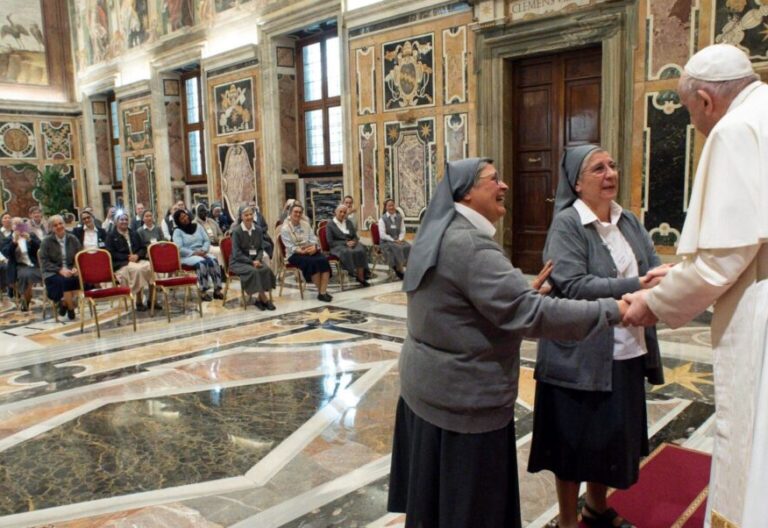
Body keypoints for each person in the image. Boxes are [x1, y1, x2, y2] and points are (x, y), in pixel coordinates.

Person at [388, 158, 630, 528]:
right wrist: (614, 309)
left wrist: (515, 294)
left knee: (436, 508)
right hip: (463, 403)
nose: (504, 186)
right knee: (471, 513)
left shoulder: (440, 231)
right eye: (493, 179)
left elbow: (453, 306)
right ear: (467, 191)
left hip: (427, 392)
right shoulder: (471, 246)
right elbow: (533, 315)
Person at [622, 44, 768, 528]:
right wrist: (680, 276)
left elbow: (722, 260)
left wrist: (655, 303)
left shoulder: (735, 130)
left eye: (688, 111)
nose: (694, 124)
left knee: (752, 443)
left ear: (705, 99)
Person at [527, 145, 669, 528]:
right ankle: (568, 521)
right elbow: (572, 284)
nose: (610, 173)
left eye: (613, 165)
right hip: (577, 356)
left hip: (625, 350)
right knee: (572, 447)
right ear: (576, 182)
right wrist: (637, 283)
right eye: (598, 168)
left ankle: (596, 508)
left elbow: (652, 262)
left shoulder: (628, 220)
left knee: (607, 441)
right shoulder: (568, 224)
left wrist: (661, 276)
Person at [280, 203, 333, 302]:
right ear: (290, 213)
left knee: (324, 260)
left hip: (309, 250)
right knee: (312, 263)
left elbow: (313, 239)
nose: (298, 214)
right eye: (295, 212)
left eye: (300, 212)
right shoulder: (285, 228)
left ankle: (322, 292)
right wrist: (300, 250)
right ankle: (321, 292)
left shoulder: (306, 224)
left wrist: (313, 247)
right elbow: (290, 246)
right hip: (294, 254)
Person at [229, 205, 276, 310]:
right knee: (254, 271)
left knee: (266, 270)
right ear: (241, 217)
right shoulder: (236, 232)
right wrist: (251, 262)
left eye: (251, 214)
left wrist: (258, 259)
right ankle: (265, 299)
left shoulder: (258, 229)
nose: (249, 217)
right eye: (246, 215)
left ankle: (259, 299)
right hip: (238, 262)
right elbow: (236, 253)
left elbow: (260, 248)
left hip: (254, 260)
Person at [107, 212, 156, 311]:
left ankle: (152, 299)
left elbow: (143, 248)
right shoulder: (111, 236)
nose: (124, 222)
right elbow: (111, 253)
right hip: (122, 263)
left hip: (137, 260)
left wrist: (137, 255)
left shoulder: (134, 233)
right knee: (138, 270)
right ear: (116, 222)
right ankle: (138, 301)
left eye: (126, 219)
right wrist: (127, 258)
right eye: (121, 220)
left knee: (150, 267)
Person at [172, 209, 224, 302]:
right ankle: (203, 292)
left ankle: (217, 290)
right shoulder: (177, 231)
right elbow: (179, 248)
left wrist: (203, 250)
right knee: (202, 263)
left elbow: (206, 240)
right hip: (187, 256)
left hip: (202, 252)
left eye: (185, 215)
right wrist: (195, 253)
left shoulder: (197, 226)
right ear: (178, 221)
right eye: (182, 218)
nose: (185, 218)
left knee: (214, 260)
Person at [40, 215, 82, 320]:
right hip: (52, 272)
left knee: (79, 280)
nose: (59, 226)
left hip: (70, 270)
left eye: (60, 223)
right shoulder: (46, 241)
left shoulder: (72, 238)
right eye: (55, 225)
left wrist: (75, 267)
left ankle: (64, 303)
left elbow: (80, 256)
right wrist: (59, 270)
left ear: (64, 224)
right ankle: (71, 309)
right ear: (51, 228)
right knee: (65, 281)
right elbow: (44, 262)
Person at [0, 218, 42, 311]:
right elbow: (7, 252)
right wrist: (14, 242)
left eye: (20, 224)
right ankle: (26, 298)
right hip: (19, 265)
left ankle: (26, 297)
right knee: (26, 275)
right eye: (15, 224)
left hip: (35, 264)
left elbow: (41, 247)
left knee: (29, 275)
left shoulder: (31, 235)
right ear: (12, 226)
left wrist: (30, 240)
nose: (18, 226)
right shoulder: (8, 239)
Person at [326, 204, 370, 287]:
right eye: (340, 212)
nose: (342, 214)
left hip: (352, 243)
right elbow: (330, 242)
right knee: (347, 252)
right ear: (336, 212)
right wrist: (345, 243)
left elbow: (355, 236)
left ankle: (361, 277)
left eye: (344, 212)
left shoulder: (348, 222)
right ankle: (351, 272)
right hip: (337, 246)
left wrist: (354, 241)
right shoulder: (330, 224)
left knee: (360, 250)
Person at [378, 199, 410, 279]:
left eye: (393, 205)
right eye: (389, 206)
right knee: (397, 248)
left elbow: (403, 230)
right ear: (386, 207)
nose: (391, 207)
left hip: (398, 240)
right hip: (386, 241)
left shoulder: (399, 217)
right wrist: (393, 240)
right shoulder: (382, 219)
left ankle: (408, 268)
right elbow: (382, 235)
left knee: (409, 246)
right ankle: (399, 270)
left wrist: (400, 239)